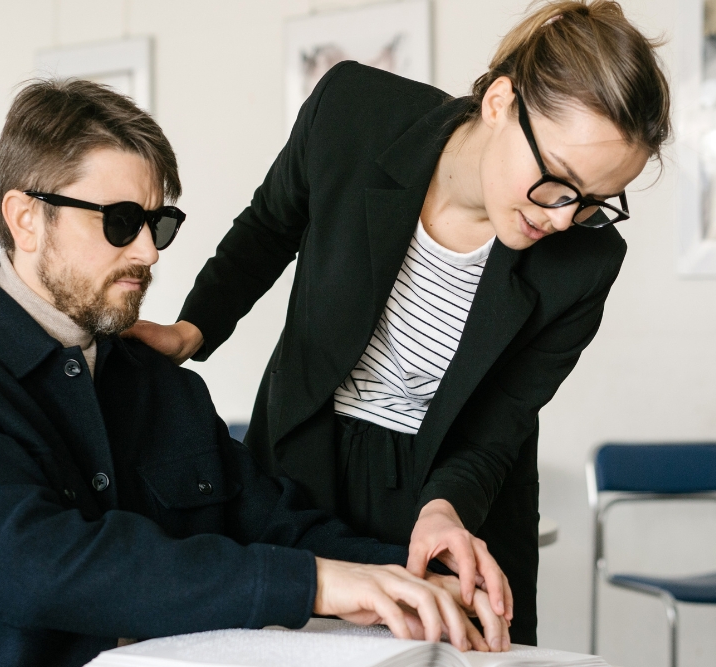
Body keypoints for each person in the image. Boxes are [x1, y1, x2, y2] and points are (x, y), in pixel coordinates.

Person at [0, 79, 510, 667]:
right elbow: (51, 567)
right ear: (26, 218)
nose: (146, 252)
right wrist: (315, 584)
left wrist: (410, 572)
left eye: (156, 224)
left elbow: (274, 522)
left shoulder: (156, 381)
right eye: (120, 222)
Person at [125, 0, 672, 644]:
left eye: (595, 203)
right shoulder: (355, 113)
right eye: (558, 182)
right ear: (500, 102)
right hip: (306, 460)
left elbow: (500, 423)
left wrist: (445, 509)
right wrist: (192, 329)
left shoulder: (586, 258)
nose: (561, 218)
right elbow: (270, 228)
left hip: (454, 499)